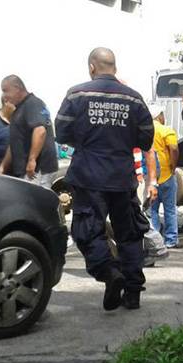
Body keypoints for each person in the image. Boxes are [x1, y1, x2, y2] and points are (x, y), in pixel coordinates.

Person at [55, 47, 155, 311]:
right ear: (114, 67)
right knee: (129, 234)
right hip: (122, 177)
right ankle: (132, 293)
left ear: (91, 67)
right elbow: (146, 138)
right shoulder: (134, 99)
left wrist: (87, 139)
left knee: (87, 231)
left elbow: (61, 133)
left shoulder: (77, 94)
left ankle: (110, 273)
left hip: (89, 176)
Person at [0, 75, 59, 187]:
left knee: (34, 203)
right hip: (26, 171)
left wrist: (32, 160)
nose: (4, 96)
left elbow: (40, 131)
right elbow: (14, 143)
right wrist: (3, 166)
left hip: (38, 170)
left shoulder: (33, 104)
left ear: (17, 88)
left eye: (6, 91)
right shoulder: (19, 109)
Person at [148, 103, 182, 249]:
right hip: (167, 174)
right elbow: (174, 148)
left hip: (151, 178)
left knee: (152, 211)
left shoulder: (146, 131)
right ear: (160, 116)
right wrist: (173, 166)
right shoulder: (166, 130)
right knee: (170, 209)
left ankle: (155, 241)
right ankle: (171, 240)